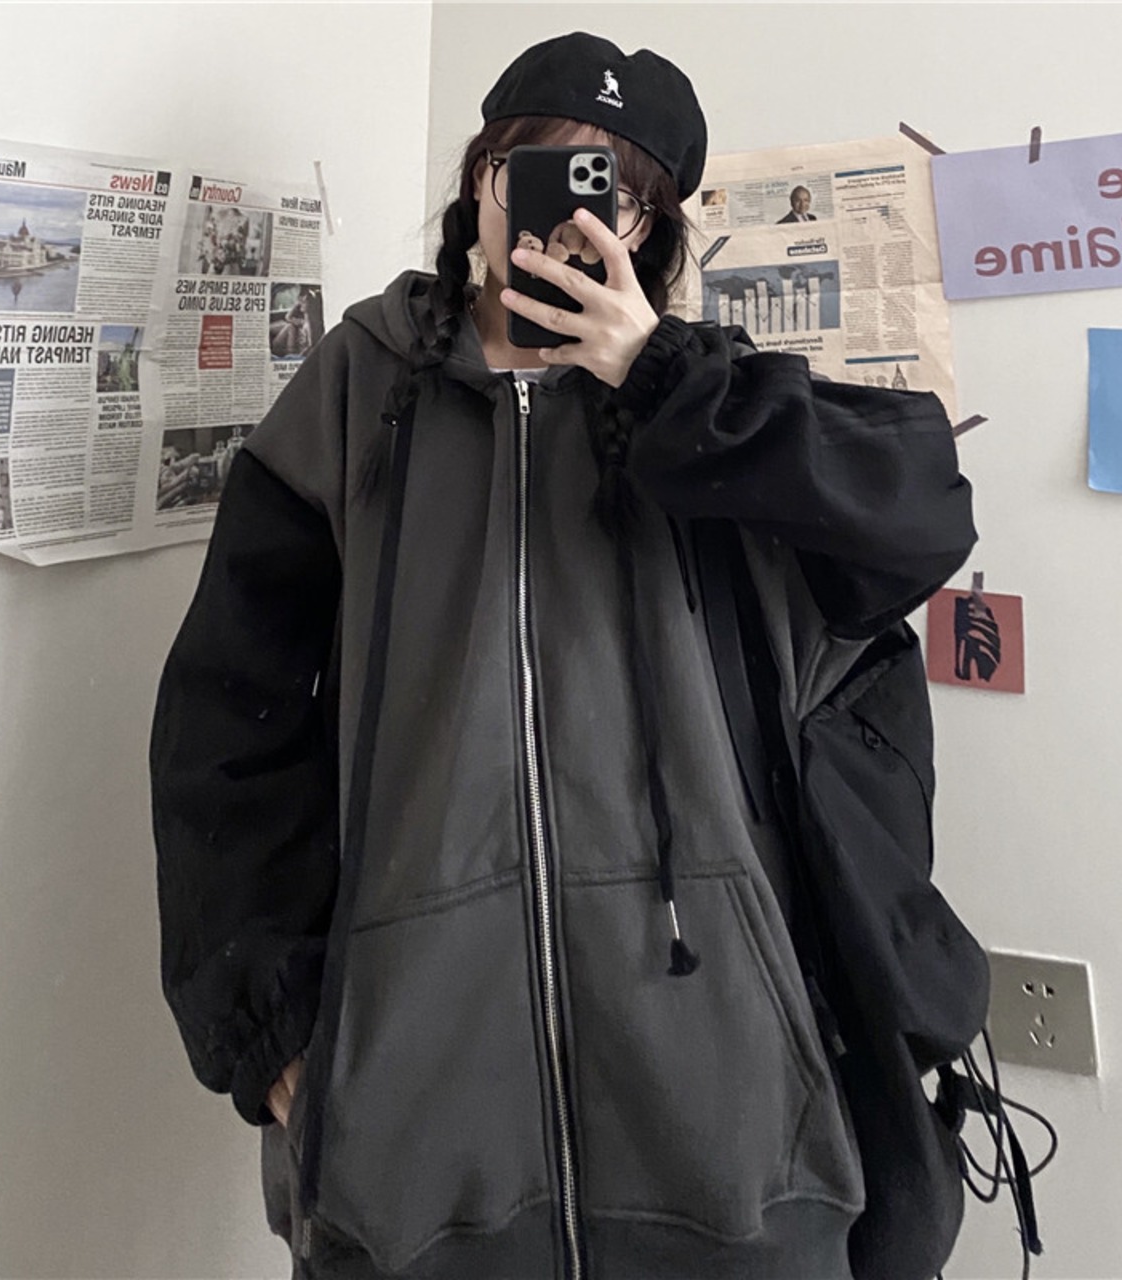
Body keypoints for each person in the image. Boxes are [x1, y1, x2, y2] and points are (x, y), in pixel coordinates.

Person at [150, 30, 975, 1280]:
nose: (568, 216)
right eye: (534, 171)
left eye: (615, 192)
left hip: (735, 1140)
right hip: (417, 1152)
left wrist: (656, 376)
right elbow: (225, 717)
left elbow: (919, 518)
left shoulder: (716, 409)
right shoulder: (356, 391)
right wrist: (269, 1029)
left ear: (651, 229)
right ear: (478, 182)